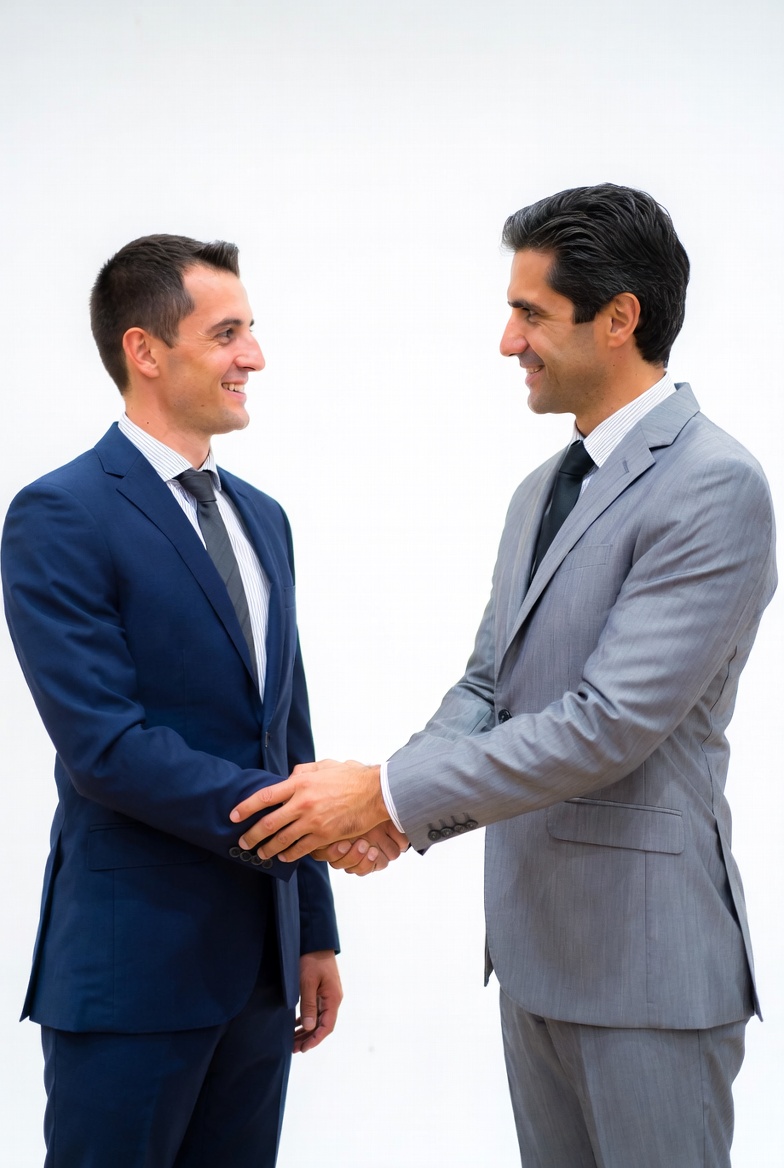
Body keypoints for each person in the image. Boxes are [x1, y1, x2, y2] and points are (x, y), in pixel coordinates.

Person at [228, 185, 777, 1166]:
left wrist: (386, 791)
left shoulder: (713, 484)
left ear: (619, 318)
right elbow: (487, 685)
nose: (505, 340)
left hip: (648, 971)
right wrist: (390, 807)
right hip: (533, 956)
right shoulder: (542, 489)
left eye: (529, 313)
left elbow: (608, 722)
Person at [1, 234, 369, 1167]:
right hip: (133, 971)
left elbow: (284, 729)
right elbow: (105, 745)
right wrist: (302, 821)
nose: (254, 356)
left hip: (261, 966)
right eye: (228, 333)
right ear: (145, 350)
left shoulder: (263, 517)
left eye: (251, 331)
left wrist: (313, 928)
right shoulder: (60, 514)